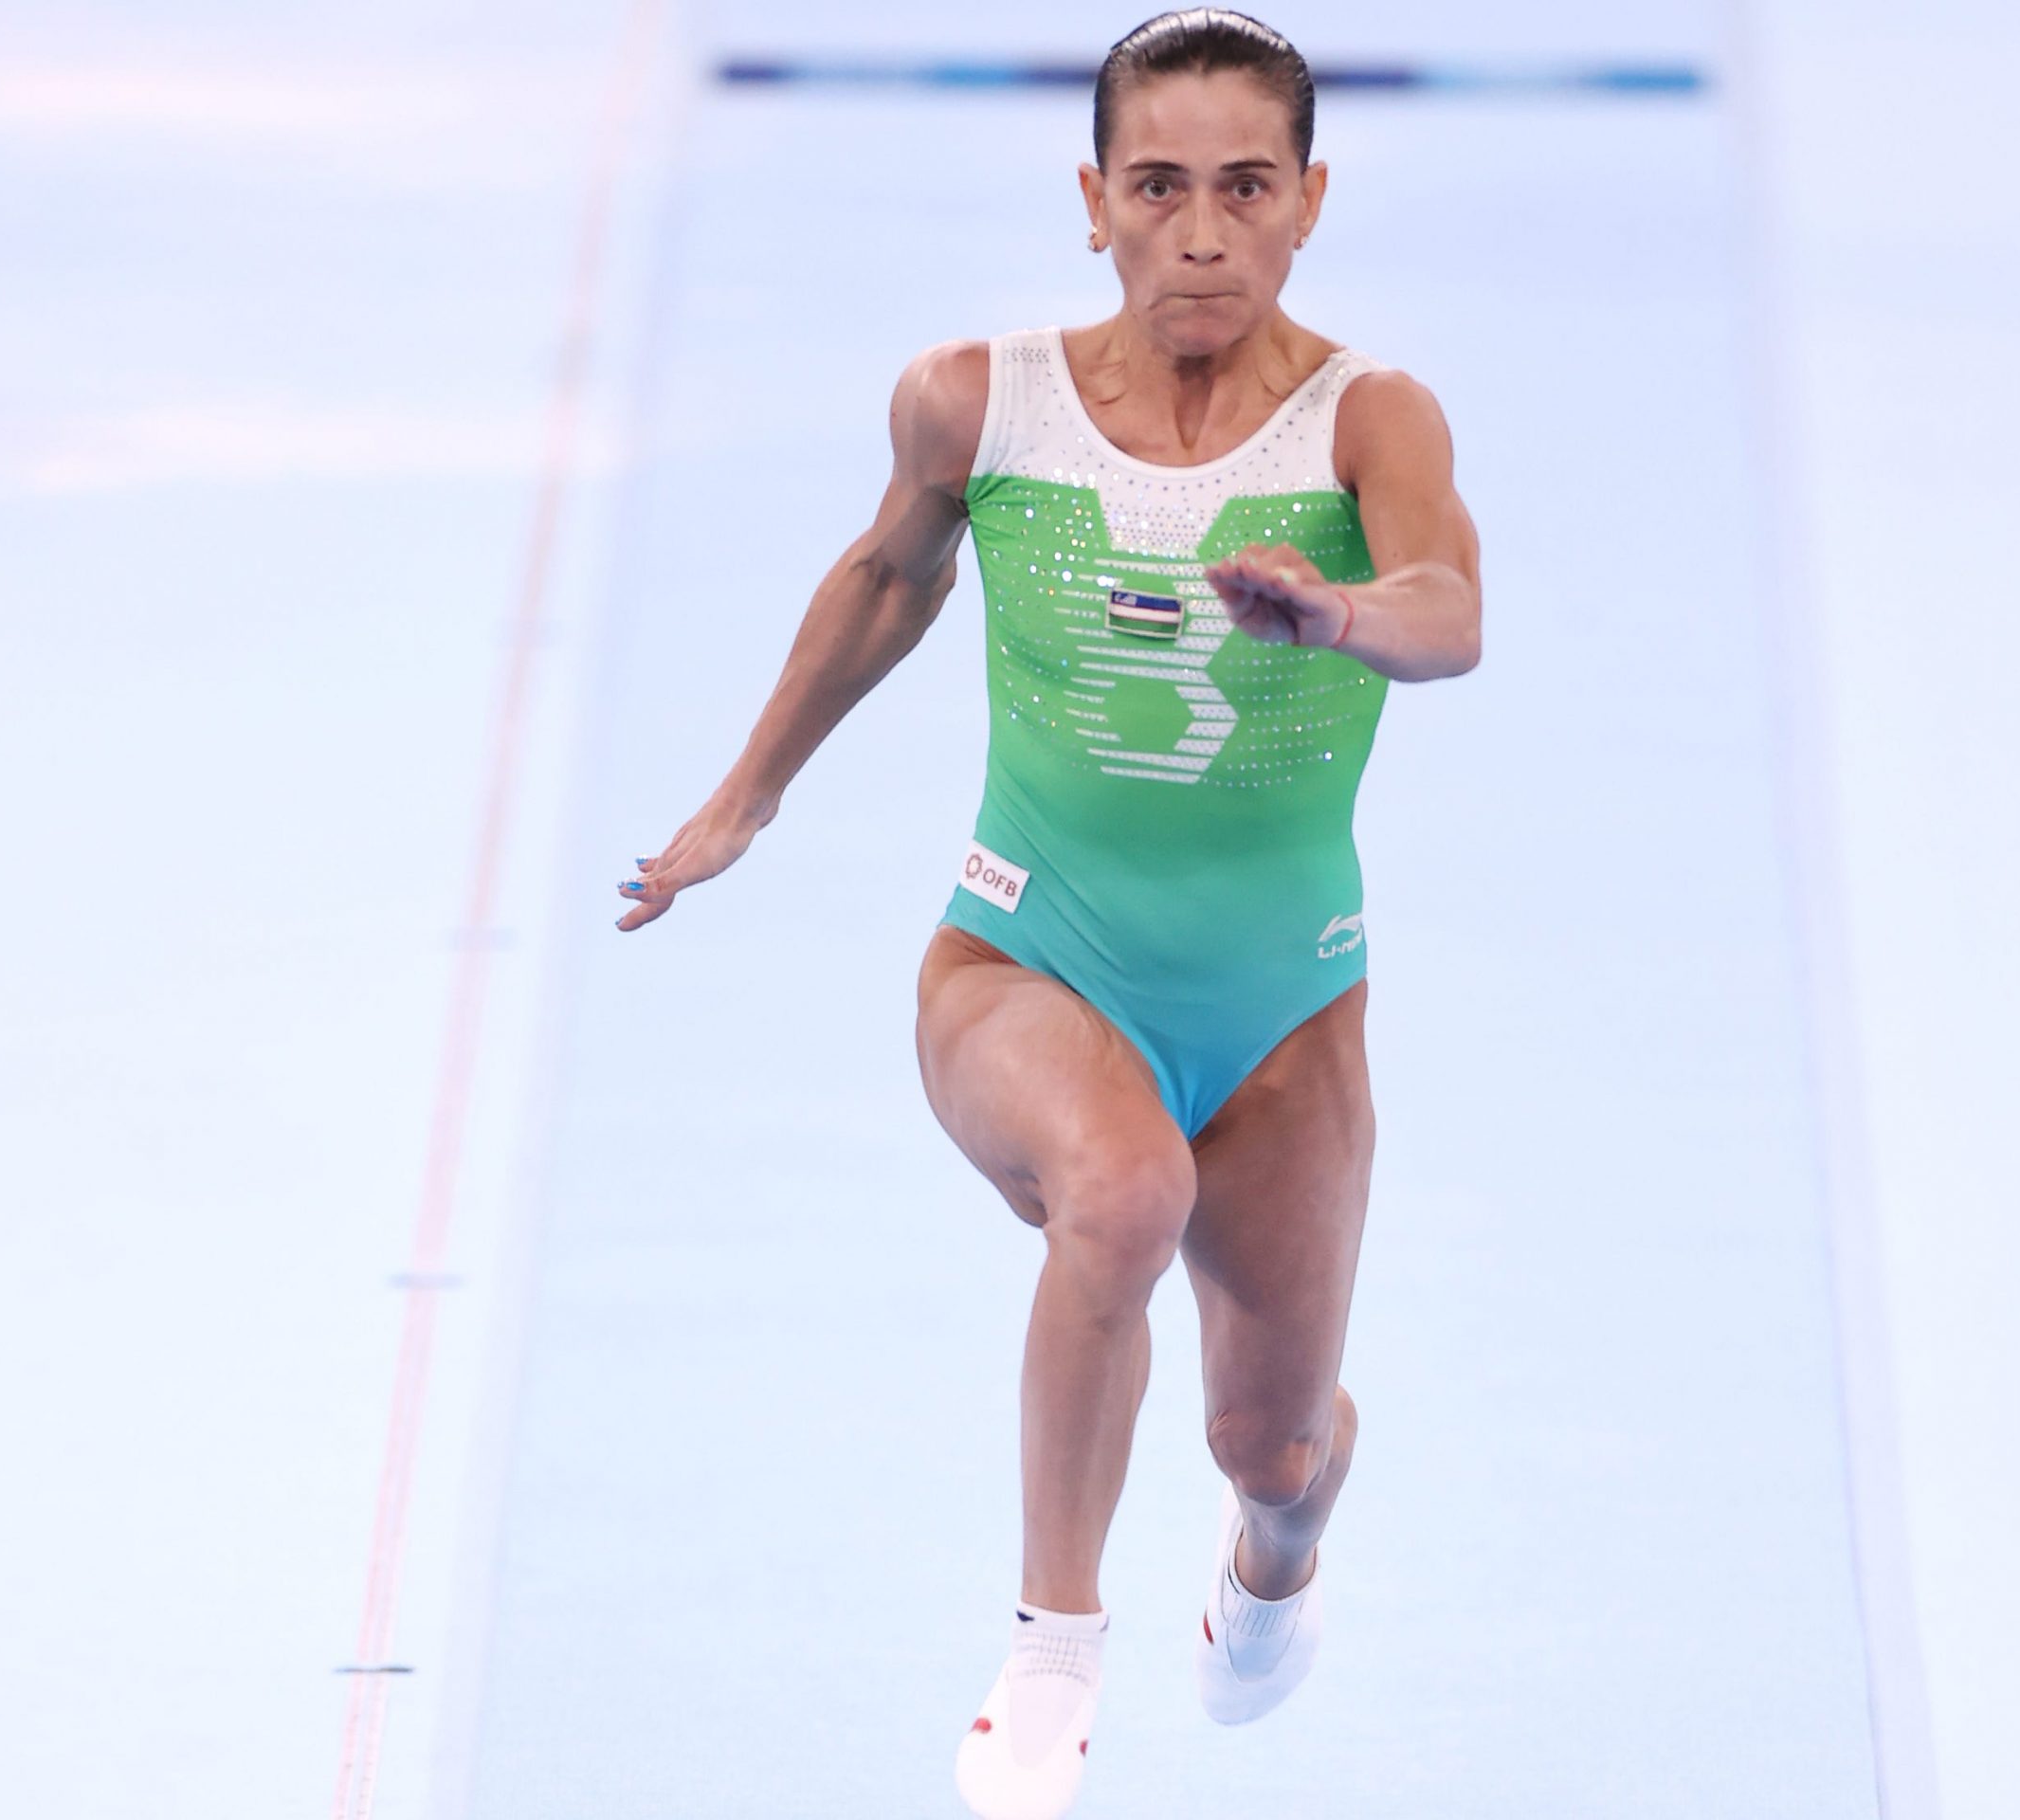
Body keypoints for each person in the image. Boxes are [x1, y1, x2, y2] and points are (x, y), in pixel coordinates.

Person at [616, 9, 1482, 1815]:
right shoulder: (975, 401)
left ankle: (1279, 1558)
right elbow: (884, 575)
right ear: (1092, 202)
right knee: (1119, 1191)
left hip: (1287, 1016)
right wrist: (743, 797)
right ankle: (1047, 1667)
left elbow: (1447, 611)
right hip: (1022, 960)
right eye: (1157, 186)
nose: (1202, 231)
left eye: (1247, 188)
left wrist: (1334, 617)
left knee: (1275, 1438)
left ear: (1311, 202)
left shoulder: (1367, 421)